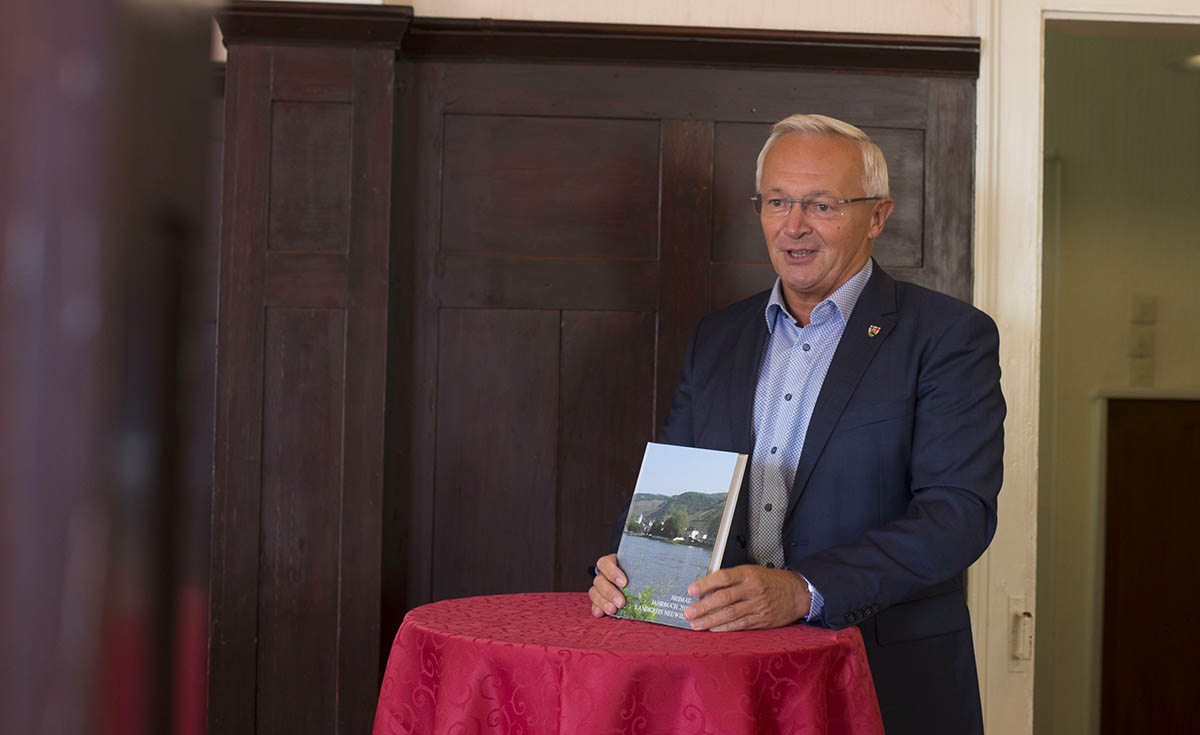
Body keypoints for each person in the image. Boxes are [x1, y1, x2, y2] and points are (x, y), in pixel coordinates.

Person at [587, 114, 1005, 735]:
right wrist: (632, 569)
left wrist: (805, 589)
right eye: (777, 201)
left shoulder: (948, 336)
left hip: (881, 675)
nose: (793, 226)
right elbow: (676, 483)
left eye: (822, 204)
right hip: (728, 679)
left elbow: (957, 514)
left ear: (878, 215)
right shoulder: (718, 337)